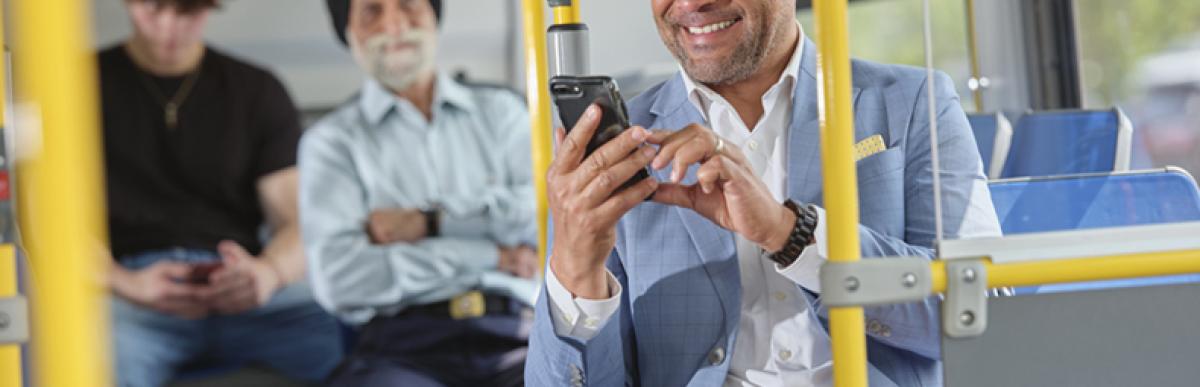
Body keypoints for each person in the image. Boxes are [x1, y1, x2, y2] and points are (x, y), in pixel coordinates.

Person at [527, 0, 1002, 386]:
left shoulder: (913, 102)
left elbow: (988, 313)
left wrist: (789, 233)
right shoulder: (622, 145)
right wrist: (575, 269)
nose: (692, 4)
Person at [99, 0, 342, 385]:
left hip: (244, 289)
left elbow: (299, 219)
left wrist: (269, 273)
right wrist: (123, 283)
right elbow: (49, 224)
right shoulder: (73, 88)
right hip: (127, 291)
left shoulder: (257, 90)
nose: (167, 28)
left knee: (352, 343)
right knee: (93, 361)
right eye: (152, 10)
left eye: (186, 13)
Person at [300, 0, 538, 386]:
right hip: (402, 350)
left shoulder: (503, 112)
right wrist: (491, 252)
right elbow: (340, 279)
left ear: (434, 17)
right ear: (348, 31)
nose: (394, 24)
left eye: (410, 5)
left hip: (519, 334)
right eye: (372, 11)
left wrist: (430, 223)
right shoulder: (331, 143)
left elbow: (544, 220)